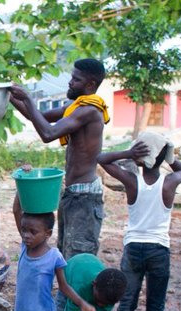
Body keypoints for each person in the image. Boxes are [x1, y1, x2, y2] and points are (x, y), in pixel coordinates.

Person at [97, 132, 181, 311]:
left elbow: (102, 159)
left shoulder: (131, 181)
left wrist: (128, 154)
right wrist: (168, 154)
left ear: (140, 157)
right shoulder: (169, 182)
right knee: (155, 308)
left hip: (133, 248)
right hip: (158, 250)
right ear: (162, 157)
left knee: (126, 303)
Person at [9, 58, 110, 260]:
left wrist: (27, 98)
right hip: (74, 193)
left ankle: (74, 292)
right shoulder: (76, 107)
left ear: (90, 84)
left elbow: (48, 133)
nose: (70, 82)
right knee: (66, 253)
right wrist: (10, 95)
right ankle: (66, 292)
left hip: (84, 197)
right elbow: (38, 116)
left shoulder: (89, 111)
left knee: (78, 257)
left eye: (76, 79)